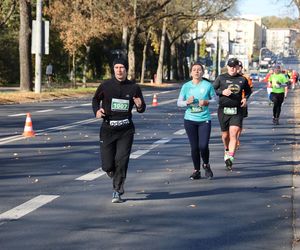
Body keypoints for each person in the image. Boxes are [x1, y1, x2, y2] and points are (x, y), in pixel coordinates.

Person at [92, 57, 146, 203]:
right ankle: (112, 172)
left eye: (122, 67)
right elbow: (95, 100)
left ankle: (117, 190)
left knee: (122, 161)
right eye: (116, 68)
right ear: (113, 69)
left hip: (126, 131)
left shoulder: (133, 88)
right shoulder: (105, 85)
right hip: (108, 129)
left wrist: (140, 105)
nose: (119, 70)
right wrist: (97, 111)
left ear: (126, 69)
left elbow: (141, 108)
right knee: (107, 165)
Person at [177, 62, 215, 180]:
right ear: (191, 73)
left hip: (204, 119)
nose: (197, 71)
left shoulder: (208, 85)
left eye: (199, 69)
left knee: (203, 146)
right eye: (194, 69)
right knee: (194, 147)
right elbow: (179, 103)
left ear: (203, 72)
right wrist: (186, 102)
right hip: (190, 120)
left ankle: (206, 165)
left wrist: (207, 102)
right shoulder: (186, 86)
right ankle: (196, 170)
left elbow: (215, 100)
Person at [213, 58, 252, 171]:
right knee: (225, 135)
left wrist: (245, 98)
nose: (232, 68)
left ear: (238, 68)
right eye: (230, 66)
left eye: (235, 66)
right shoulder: (221, 78)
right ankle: (226, 149)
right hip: (223, 110)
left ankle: (230, 157)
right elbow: (212, 89)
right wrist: (222, 92)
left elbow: (248, 91)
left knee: (234, 133)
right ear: (228, 67)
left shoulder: (242, 79)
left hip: (237, 110)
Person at [236, 61, 253, 148]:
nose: (237, 68)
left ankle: (236, 139)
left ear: (241, 67)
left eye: (239, 67)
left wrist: (245, 98)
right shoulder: (227, 77)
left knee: (239, 123)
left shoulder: (246, 78)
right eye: (235, 66)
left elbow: (250, 90)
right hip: (230, 103)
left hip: (242, 103)